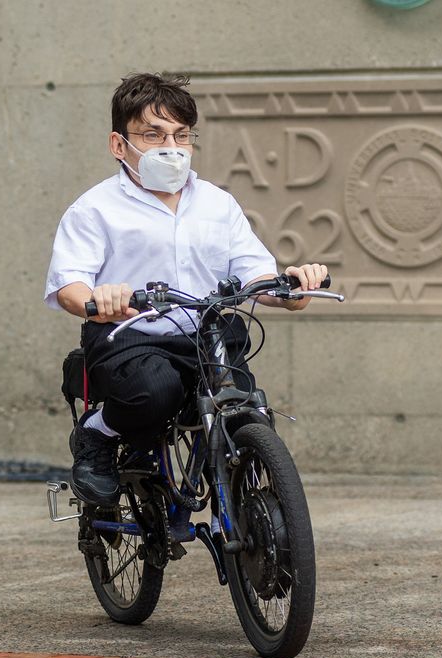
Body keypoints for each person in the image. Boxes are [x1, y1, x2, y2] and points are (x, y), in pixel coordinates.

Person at [44, 72, 328, 506]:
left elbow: (255, 276)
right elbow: (70, 285)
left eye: (181, 135)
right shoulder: (94, 209)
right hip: (129, 337)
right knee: (155, 392)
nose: (171, 148)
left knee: (246, 410)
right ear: (119, 145)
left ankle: (253, 513)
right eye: (154, 135)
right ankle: (97, 432)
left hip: (206, 334)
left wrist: (293, 286)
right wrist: (96, 300)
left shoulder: (218, 203)